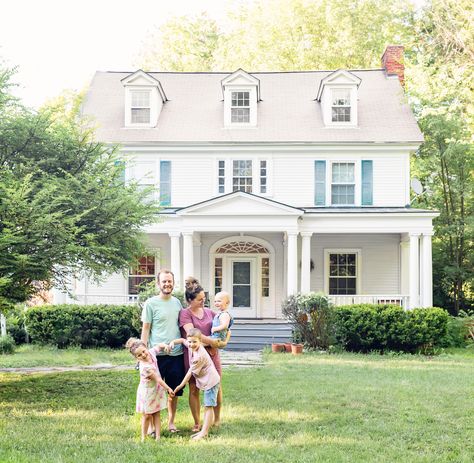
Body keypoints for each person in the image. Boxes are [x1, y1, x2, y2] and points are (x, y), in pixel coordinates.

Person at [179, 277, 231, 432]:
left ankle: (216, 419)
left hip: (212, 356)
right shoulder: (185, 314)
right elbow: (192, 334)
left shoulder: (210, 312)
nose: (203, 302)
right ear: (190, 300)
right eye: (200, 299)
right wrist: (213, 342)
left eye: (204, 299)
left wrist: (224, 338)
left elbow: (224, 326)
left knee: (216, 385)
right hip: (195, 356)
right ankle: (197, 422)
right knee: (194, 388)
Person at [141, 269, 184, 434]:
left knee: (173, 390)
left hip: (176, 355)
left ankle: (171, 423)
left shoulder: (177, 303)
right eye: (164, 281)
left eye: (170, 281)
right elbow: (146, 329)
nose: (167, 284)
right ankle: (152, 426)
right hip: (156, 356)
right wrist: (143, 356)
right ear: (158, 284)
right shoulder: (151, 303)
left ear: (173, 283)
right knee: (153, 391)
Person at [171, 328, 220, 440]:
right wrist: (173, 342)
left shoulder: (199, 356)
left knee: (208, 406)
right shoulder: (190, 345)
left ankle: (204, 432)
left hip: (211, 381)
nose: (191, 344)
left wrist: (181, 385)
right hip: (207, 381)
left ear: (200, 341)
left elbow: (190, 373)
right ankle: (203, 431)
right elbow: (183, 340)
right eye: (190, 341)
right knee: (208, 405)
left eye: (194, 342)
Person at [125, 337, 175, 442]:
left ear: (146, 348)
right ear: (136, 358)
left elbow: (159, 346)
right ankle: (143, 437)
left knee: (157, 412)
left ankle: (158, 437)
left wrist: (165, 346)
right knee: (147, 415)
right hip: (147, 392)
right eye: (139, 355)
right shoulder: (145, 367)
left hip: (156, 390)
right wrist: (169, 388)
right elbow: (158, 379)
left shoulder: (151, 353)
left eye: (143, 351)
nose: (143, 355)